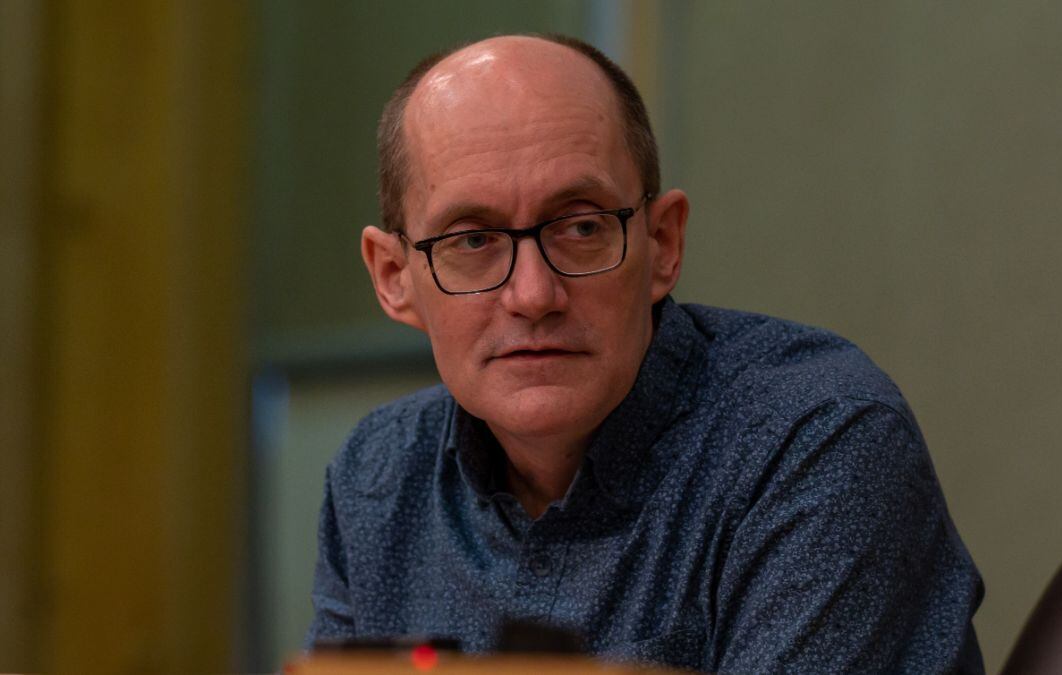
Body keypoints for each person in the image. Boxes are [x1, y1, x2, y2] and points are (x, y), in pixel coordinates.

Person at [307, 33, 984, 673]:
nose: (533, 294)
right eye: (473, 240)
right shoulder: (378, 478)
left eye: (581, 227)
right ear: (394, 277)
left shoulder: (814, 441)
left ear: (662, 244)